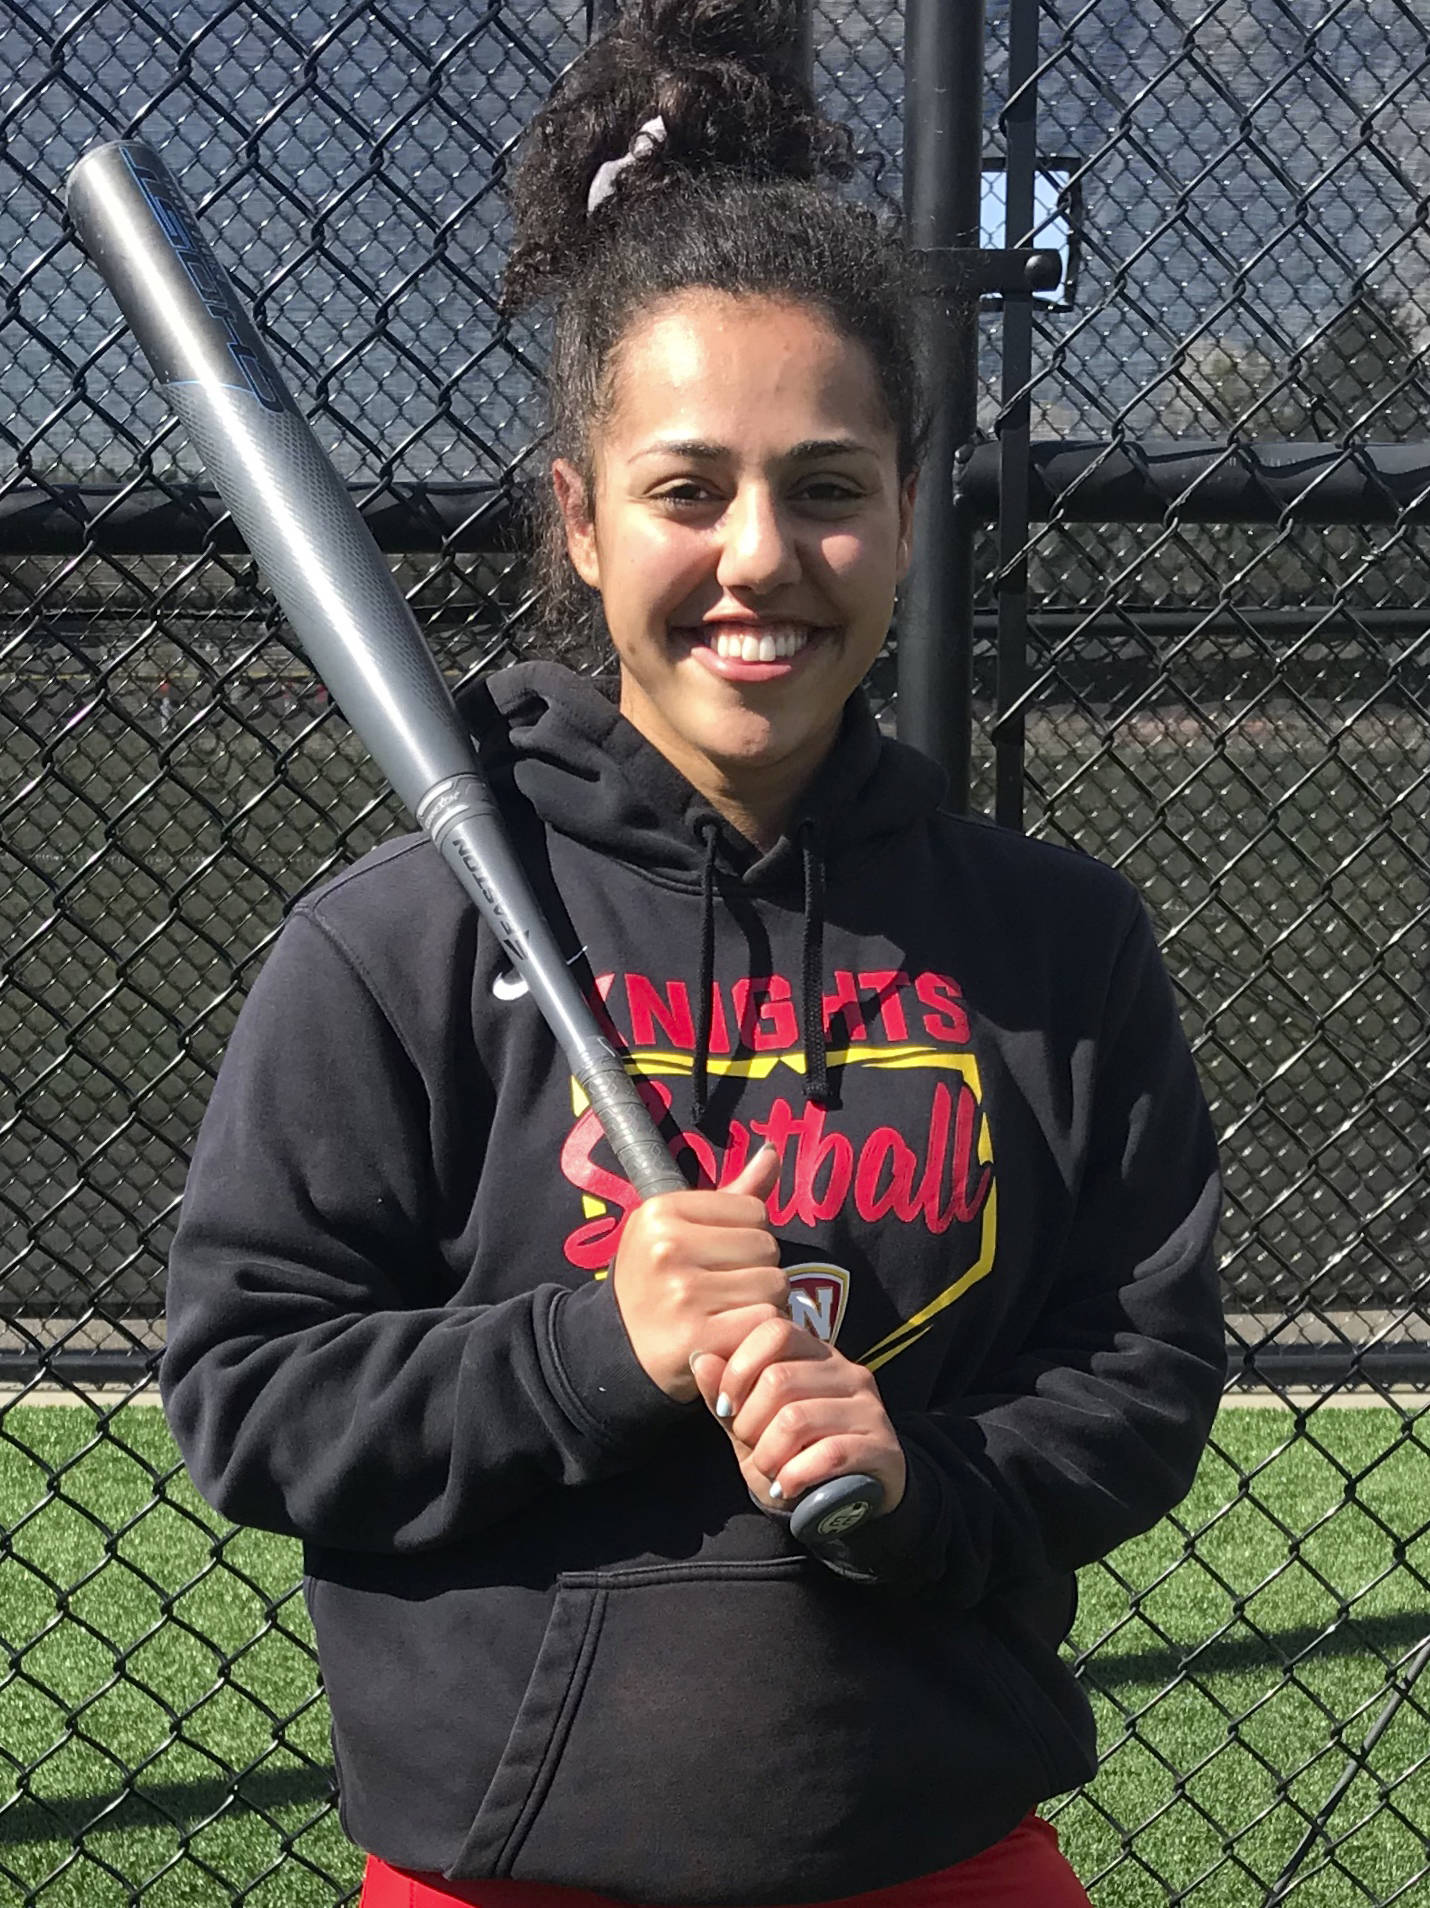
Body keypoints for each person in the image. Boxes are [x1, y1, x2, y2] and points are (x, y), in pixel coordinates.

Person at [160, 4, 1225, 1904]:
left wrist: (921, 1486)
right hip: (507, 1867)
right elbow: (253, 1396)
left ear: (904, 512)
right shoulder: (396, 943)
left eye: (826, 487)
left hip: (932, 1847)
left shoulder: (1054, 945)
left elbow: (1133, 1377)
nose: (759, 555)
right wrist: (596, 1351)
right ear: (576, 520)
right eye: (686, 490)